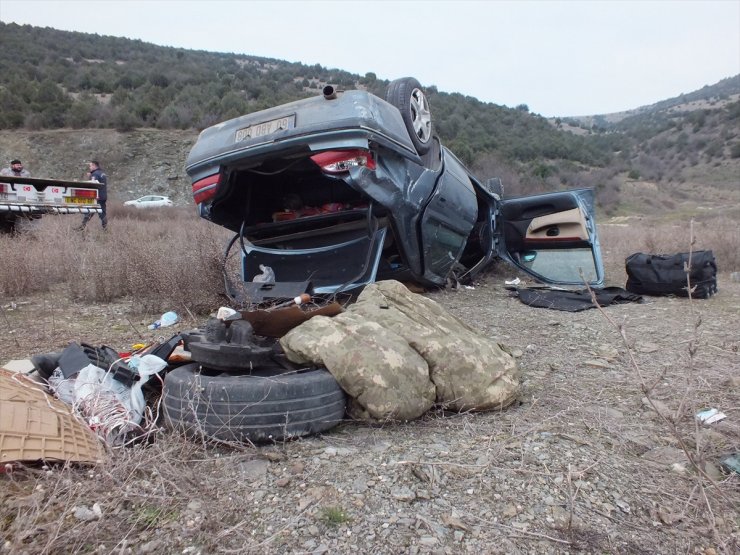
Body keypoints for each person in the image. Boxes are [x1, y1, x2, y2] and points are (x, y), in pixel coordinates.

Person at [78, 160, 108, 229]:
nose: (90, 167)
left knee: (89, 210)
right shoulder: (102, 173)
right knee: (102, 212)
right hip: (103, 196)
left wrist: (90, 176)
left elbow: (93, 185)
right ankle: (105, 228)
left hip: (96, 196)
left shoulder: (95, 174)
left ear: (94, 165)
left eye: (90, 166)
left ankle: (82, 227)